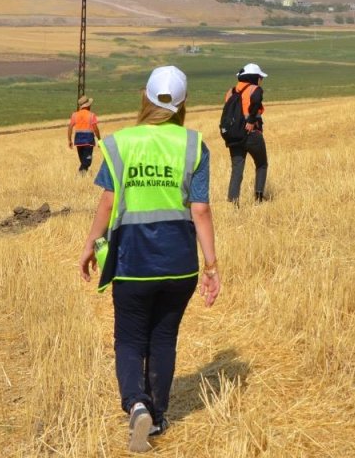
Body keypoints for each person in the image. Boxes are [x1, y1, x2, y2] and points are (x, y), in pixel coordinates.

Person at [79, 65, 221, 453]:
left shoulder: (120, 143)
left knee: (128, 338)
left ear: (144, 97)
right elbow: (201, 210)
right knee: (163, 338)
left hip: (131, 262)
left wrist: (91, 244)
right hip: (179, 265)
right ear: (182, 104)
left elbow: (107, 201)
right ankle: (156, 417)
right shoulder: (193, 145)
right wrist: (211, 266)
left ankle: (136, 404)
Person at [225, 63, 268, 204]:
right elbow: (256, 102)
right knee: (261, 164)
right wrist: (250, 120)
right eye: (260, 77)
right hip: (251, 134)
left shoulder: (230, 91)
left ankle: (232, 203)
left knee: (237, 169)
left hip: (234, 136)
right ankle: (259, 198)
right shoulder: (255, 89)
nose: (261, 80)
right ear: (255, 77)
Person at [67, 95, 102, 175]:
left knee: (83, 161)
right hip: (88, 141)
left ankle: (82, 178)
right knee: (87, 162)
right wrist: (99, 139)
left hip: (78, 141)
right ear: (88, 105)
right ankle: (79, 176)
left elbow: (70, 127)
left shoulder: (74, 115)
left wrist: (69, 140)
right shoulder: (91, 115)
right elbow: (95, 129)